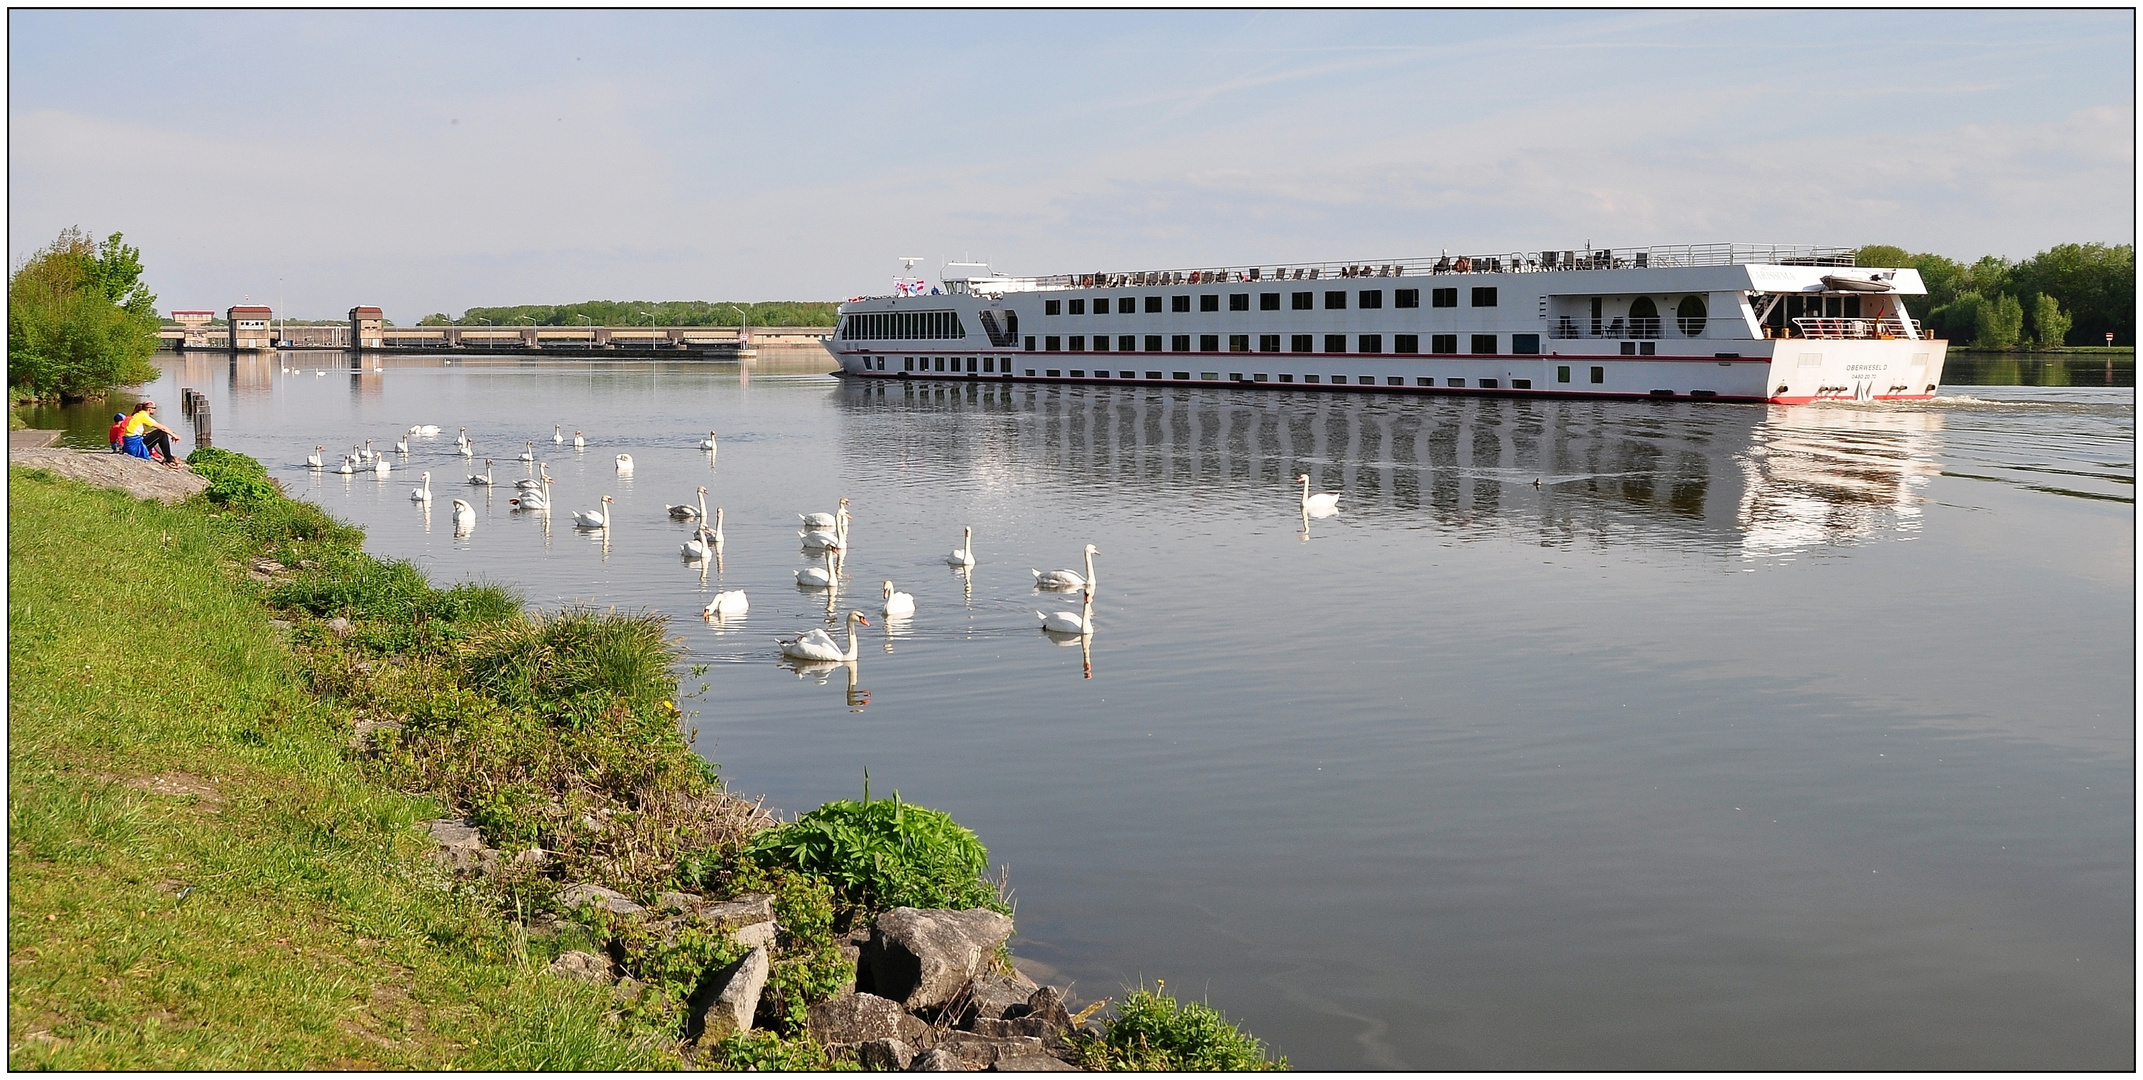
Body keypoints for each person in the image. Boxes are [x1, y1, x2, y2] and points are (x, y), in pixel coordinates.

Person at [123, 400, 184, 468]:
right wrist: (174, 435)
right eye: (154, 408)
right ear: (149, 409)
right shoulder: (144, 416)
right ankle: (169, 459)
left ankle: (168, 457)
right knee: (162, 434)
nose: (155, 410)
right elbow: (162, 428)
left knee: (159, 433)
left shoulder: (139, 414)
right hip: (135, 446)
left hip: (131, 443)